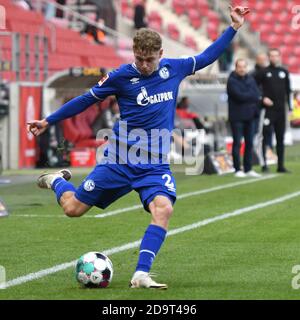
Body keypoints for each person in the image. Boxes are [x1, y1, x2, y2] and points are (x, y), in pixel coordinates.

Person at [27, 6, 249, 289]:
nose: (144, 65)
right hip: (120, 159)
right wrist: (49, 119)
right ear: (133, 54)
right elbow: (86, 100)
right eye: (139, 59)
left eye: (149, 60)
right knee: (73, 209)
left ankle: (141, 273)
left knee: (163, 209)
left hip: (154, 164)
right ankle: (57, 180)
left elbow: (208, 56)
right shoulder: (120, 76)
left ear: (161, 55)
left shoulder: (175, 69)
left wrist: (233, 27)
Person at [255, 48, 292, 173]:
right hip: (268, 111)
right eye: (271, 56)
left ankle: (280, 165)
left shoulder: (284, 72)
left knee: (280, 138)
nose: (274, 58)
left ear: (279, 57)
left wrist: (290, 107)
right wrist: (262, 98)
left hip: (281, 111)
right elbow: (254, 87)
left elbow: (288, 91)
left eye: (276, 55)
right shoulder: (263, 72)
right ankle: (264, 164)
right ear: (268, 57)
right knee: (265, 136)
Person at [227, 58, 261, 178]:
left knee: (250, 143)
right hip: (237, 117)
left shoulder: (250, 79)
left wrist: (251, 96)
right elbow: (239, 96)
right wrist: (251, 96)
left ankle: (248, 168)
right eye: (239, 67)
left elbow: (256, 94)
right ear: (236, 68)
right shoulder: (231, 81)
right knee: (237, 143)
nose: (242, 69)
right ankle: (237, 169)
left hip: (250, 116)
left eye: (244, 67)